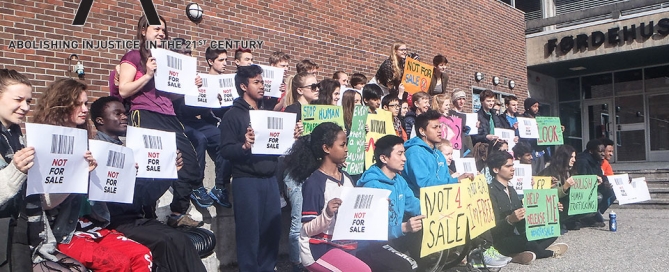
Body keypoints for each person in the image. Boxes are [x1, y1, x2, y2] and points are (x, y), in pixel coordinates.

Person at [33, 78, 154, 272]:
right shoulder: (43, 144)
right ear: (61, 105)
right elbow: (45, 202)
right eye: (77, 104)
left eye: (86, 103)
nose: (84, 109)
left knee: (142, 255)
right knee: (117, 263)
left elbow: (106, 189)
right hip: (63, 231)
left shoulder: (91, 142)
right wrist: (79, 173)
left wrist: (125, 173)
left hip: (93, 223)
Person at [90, 96, 207, 271]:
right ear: (100, 120)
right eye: (117, 113)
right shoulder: (94, 151)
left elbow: (143, 198)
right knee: (165, 242)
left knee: (181, 240)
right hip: (110, 221)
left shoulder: (131, 150)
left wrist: (169, 173)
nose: (124, 117)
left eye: (125, 113)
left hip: (135, 217)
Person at [117, 15, 203, 228]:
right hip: (144, 114)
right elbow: (124, 89)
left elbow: (168, 96)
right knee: (149, 167)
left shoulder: (166, 59)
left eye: (164, 30)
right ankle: (145, 213)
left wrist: (189, 86)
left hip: (169, 115)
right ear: (143, 31)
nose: (161, 33)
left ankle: (177, 212)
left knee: (190, 165)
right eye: (156, 29)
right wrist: (147, 75)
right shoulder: (134, 56)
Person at [0, 69, 85, 272]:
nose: (25, 107)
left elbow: (43, 201)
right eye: (18, 99)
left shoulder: (20, 139)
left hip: (29, 237)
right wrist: (16, 170)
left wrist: (79, 171)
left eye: (28, 101)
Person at [219, 65, 300, 271]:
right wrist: (244, 146)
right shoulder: (232, 115)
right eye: (256, 82)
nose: (262, 86)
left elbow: (279, 145)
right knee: (249, 234)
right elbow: (226, 151)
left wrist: (292, 136)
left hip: (270, 179)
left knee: (271, 232)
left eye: (262, 81)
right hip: (246, 180)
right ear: (243, 86)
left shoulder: (266, 114)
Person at [284, 122, 370, 272]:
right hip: (319, 250)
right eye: (342, 145)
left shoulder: (348, 179)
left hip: (345, 246)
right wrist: (327, 213)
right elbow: (307, 228)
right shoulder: (314, 182)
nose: (347, 149)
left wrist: (377, 206)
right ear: (326, 148)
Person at [170, 40, 232, 209]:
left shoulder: (197, 77)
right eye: (184, 53)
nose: (188, 56)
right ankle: (197, 186)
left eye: (189, 53)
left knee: (223, 138)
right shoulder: (170, 74)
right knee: (199, 139)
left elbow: (199, 109)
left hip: (195, 120)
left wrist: (212, 101)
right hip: (175, 121)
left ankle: (220, 187)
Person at [487, 151, 569, 264]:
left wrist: (551, 209)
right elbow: (492, 229)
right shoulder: (491, 192)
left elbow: (527, 214)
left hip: (518, 234)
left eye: (513, 165)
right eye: (508, 166)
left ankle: (518, 255)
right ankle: (548, 252)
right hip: (500, 241)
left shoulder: (511, 189)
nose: (512, 169)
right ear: (496, 169)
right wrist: (509, 220)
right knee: (527, 241)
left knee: (552, 232)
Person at [356, 135, 423, 272]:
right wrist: (404, 228)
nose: (404, 158)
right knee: (410, 266)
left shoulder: (399, 180)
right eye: (399, 154)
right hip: (370, 246)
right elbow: (372, 230)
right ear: (384, 158)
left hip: (392, 237)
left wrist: (438, 211)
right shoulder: (372, 186)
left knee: (423, 250)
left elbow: (414, 204)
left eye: (404, 153)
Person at [282, 72, 318, 271]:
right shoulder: (291, 110)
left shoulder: (319, 110)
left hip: (313, 171)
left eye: (317, 85)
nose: (317, 89)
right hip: (295, 172)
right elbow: (283, 146)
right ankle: (296, 263)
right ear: (299, 90)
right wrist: (294, 136)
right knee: (297, 223)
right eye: (313, 86)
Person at [402, 110, 464, 197]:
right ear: (422, 131)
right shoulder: (415, 153)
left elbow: (446, 179)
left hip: (441, 205)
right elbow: (424, 184)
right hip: (420, 206)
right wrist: (455, 180)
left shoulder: (438, 153)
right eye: (435, 127)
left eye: (440, 127)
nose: (439, 131)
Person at [574, 139, 614, 227]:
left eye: (604, 151)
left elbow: (601, 176)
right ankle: (583, 217)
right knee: (599, 197)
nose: (603, 154)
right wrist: (598, 182)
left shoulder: (596, 161)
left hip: (593, 188)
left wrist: (607, 182)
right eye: (600, 151)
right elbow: (581, 182)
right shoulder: (583, 161)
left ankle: (594, 213)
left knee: (612, 191)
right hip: (582, 193)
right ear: (591, 151)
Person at [538, 145, 578, 233]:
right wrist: (565, 187)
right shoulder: (550, 172)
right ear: (564, 157)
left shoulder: (570, 171)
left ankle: (567, 221)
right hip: (551, 204)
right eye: (571, 157)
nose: (574, 160)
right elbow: (547, 194)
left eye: (574, 157)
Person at [520, 98, 549, 174]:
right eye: (534, 106)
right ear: (528, 107)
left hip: (540, 151)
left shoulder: (540, 119)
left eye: (537, 106)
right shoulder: (522, 118)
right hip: (530, 150)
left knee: (541, 173)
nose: (537, 108)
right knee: (532, 172)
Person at [449, 89, 475, 157]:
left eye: (463, 99)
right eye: (459, 99)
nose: (461, 101)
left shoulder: (467, 115)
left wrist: (475, 126)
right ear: (454, 100)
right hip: (455, 144)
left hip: (466, 143)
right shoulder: (450, 114)